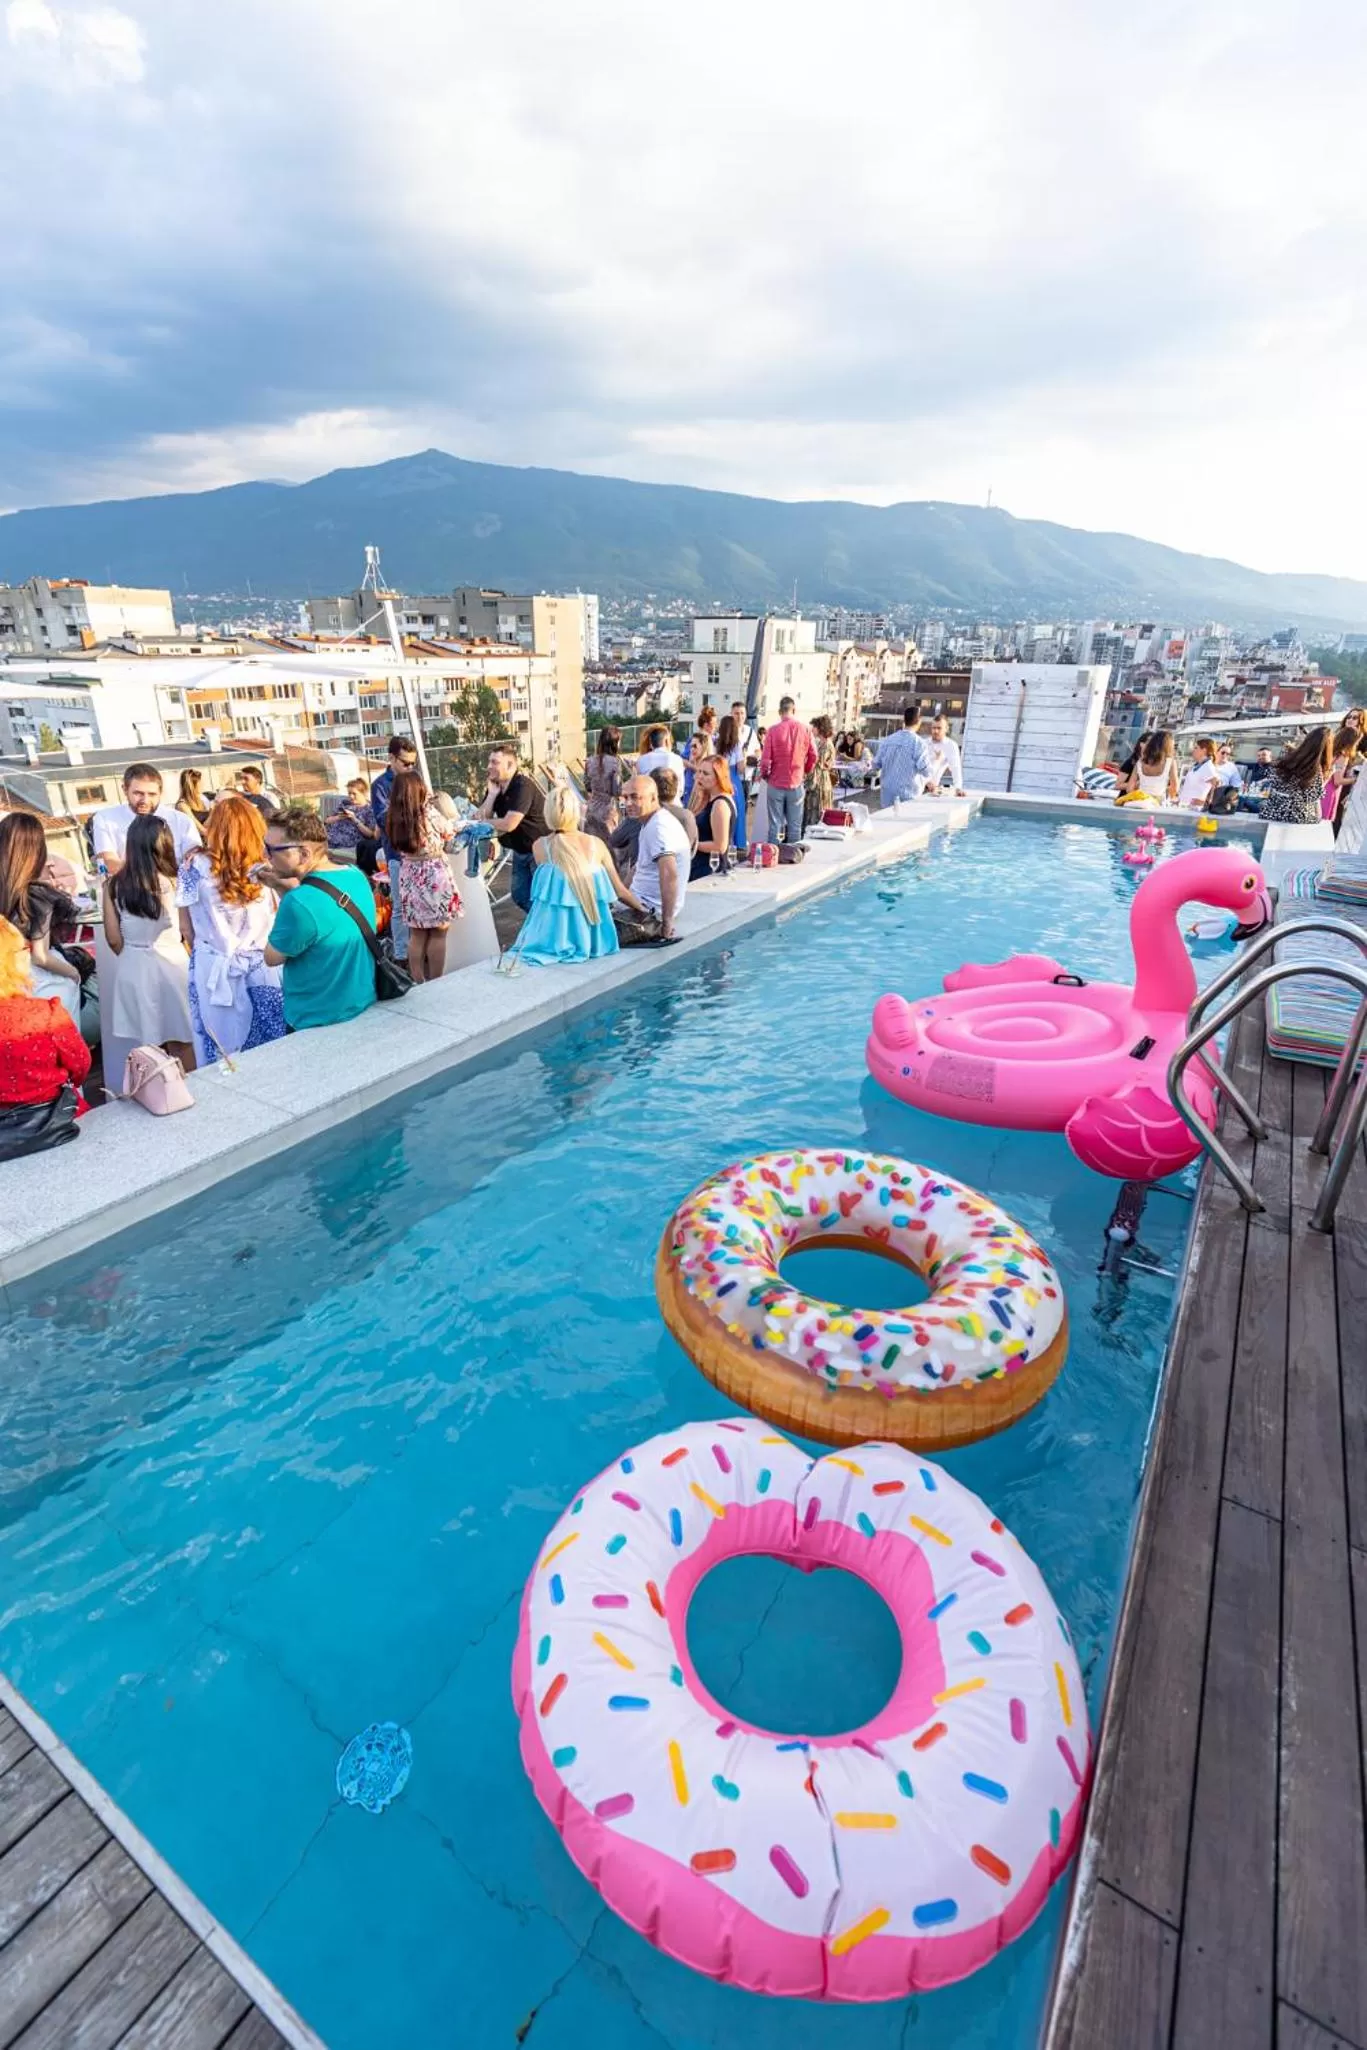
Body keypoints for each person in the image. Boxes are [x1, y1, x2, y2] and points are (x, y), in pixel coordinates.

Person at [175, 795, 284, 1066]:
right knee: (274, 1045)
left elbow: (186, 928)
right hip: (264, 966)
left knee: (222, 1052)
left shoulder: (192, 868)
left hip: (214, 966)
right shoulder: (267, 868)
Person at [258, 806, 378, 1031]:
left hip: (315, 1017)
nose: (266, 856)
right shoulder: (355, 874)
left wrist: (285, 893)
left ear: (304, 854)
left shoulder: (298, 902)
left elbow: (272, 957)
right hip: (361, 1003)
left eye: (272, 849)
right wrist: (282, 887)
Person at [102, 814, 195, 1069]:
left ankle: (163, 1093)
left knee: (151, 1045)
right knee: (183, 1037)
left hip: (133, 964)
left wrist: (132, 951)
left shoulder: (113, 885)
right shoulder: (176, 880)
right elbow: (188, 929)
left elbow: (112, 938)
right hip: (173, 962)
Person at [516, 786, 646, 964]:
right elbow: (620, 891)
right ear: (576, 812)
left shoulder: (540, 846)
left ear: (548, 813)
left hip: (553, 936)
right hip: (594, 937)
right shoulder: (595, 844)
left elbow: (559, 890)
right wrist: (645, 911)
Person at [0, 916, 91, 1153]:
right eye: (24, 948)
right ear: (13, 959)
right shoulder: (46, 1013)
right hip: (56, 1123)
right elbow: (80, 1066)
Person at [0, 813, 82, 1021]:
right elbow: (41, 956)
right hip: (39, 982)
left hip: (6, 979)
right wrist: (73, 972)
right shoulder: (38, 895)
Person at [385, 770, 461, 983]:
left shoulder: (393, 817)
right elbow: (449, 832)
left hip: (409, 874)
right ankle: (436, 980)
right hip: (434, 875)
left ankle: (418, 979)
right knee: (439, 931)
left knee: (417, 933)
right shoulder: (429, 814)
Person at [610, 776, 688, 946]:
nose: (628, 803)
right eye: (625, 797)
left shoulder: (658, 827)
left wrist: (666, 925)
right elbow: (638, 867)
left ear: (653, 797)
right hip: (639, 904)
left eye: (635, 797)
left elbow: (669, 875)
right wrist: (620, 895)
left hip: (648, 912)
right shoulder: (651, 821)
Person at [92, 762, 202, 876]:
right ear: (125, 789)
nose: (145, 800)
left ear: (160, 792)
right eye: (138, 793)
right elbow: (107, 862)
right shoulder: (105, 818)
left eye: (152, 794)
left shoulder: (181, 821)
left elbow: (196, 859)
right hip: (129, 890)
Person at [478, 743, 549, 913]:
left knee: (542, 897)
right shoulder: (496, 787)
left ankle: (545, 930)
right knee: (520, 895)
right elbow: (481, 815)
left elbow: (510, 824)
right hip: (521, 849)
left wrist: (488, 821)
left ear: (510, 765)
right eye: (489, 762)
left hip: (539, 849)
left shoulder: (522, 786)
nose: (489, 767)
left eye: (494, 762)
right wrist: (492, 795)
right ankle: (541, 927)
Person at [370, 734, 420, 963]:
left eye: (413, 763)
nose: (410, 768)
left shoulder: (415, 778)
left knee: (419, 905)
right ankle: (401, 956)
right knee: (400, 907)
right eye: (405, 763)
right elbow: (384, 822)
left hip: (418, 854)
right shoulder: (380, 785)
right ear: (391, 758)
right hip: (397, 855)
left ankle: (419, 951)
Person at [759, 696, 817, 845]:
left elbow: (765, 760)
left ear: (780, 711)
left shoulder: (772, 731)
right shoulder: (805, 729)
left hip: (776, 783)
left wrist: (766, 776)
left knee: (775, 826)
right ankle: (792, 857)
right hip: (796, 782)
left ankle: (772, 857)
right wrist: (805, 771)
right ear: (794, 710)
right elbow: (814, 755)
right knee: (795, 827)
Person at [1256, 727, 1333, 826]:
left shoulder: (1287, 758)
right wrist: (1324, 781)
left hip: (1271, 812)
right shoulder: (1314, 770)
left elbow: (1273, 779)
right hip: (1297, 817)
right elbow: (1313, 799)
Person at [688, 756, 738, 880]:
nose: (699, 776)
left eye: (705, 773)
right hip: (701, 865)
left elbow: (720, 846)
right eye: (699, 771)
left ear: (718, 777)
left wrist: (691, 845)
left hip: (711, 869)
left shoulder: (720, 804)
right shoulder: (708, 797)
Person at [874, 706, 932, 807]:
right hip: (908, 797)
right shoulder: (919, 744)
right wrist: (938, 761)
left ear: (904, 720)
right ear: (919, 721)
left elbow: (876, 764)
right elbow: (926, 772)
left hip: (887, 796)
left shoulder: (888, 740)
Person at [326, 778, 381, 876]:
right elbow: (327, 820)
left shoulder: (370, 809)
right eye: (349, 793)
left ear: (363, 793)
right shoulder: (344, 803)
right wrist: (338, 817)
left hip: (349, 840)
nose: (351, 796)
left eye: (354, 793)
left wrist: (354, 819)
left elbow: (371, 834)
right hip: (331, 835)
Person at [714, 713, 748, 852]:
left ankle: (722, 842)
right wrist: (745, 756)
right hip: (733, 780)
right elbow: (741, 769)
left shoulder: (716, 742)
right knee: (737, 812)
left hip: (719, 779)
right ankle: (738, 844)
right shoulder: (737, 745)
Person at [585, 727, 625, 841]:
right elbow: (616, 791)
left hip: (592, 810)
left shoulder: (589, 761)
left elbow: (588, 787)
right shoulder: (615, 762)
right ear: (615, 743)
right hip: (608, 811)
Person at [650, 768, 699, 854]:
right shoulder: (686, 816)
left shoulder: (641, 815)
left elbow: (618, 839)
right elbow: (691, 850)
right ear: (676, 788)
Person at [804, 715, 837, 827]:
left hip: (820, 780)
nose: (812, 729)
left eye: (815, 727)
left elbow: (819, 763)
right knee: (812, 808)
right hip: (818, 779)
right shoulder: (821, 743)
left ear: (821, 728)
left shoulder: (826, 744)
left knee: (818, 808)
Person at [1324, 728, 1360, 826]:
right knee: (1324, 824)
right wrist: (1356, 780)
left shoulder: (1331, 751)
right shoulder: (1343, 756)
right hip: (1330, 791)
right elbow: (1338, 780)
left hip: (1324, 789)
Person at [635, 723, 688, 790]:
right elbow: (680, 789)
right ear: (666, 741)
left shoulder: (641, 760)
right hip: (673, 799)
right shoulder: (677, 759)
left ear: (650, 743)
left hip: (650, 799)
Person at [922, 716, 965, 796]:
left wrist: (958, 788)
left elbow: (956, 768)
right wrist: (926, 781)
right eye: (933, 728)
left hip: (932, 790)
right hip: (917, 786)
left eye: (939, 728)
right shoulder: (923, 744)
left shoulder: (951, 746)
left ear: (946, 729)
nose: (935, 731)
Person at [683, 706, 718, 802]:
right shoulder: (694, 739)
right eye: (714, 724)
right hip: (693, 783)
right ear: (706, 725)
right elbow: (683, 760)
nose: (716, 726)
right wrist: (697, 769)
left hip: (705, 783)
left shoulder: (713, 739)